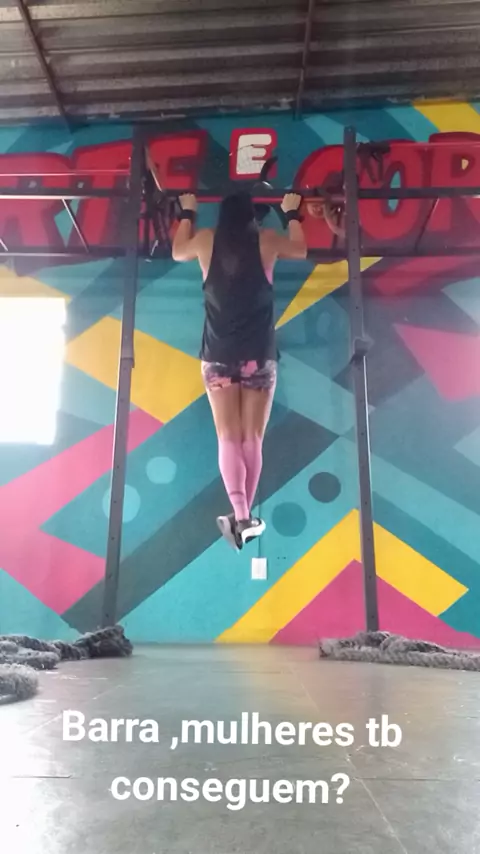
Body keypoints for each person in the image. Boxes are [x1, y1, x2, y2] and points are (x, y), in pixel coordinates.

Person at [172, 190, 306, 550]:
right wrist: (292, 213)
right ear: (252, 218)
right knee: (252, 438)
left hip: (218, 354)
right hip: (258, 355)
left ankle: (242, 515)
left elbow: (177, 250)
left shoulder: (205, 240)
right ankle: (243, 519)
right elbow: (300, 249)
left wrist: (188, 211)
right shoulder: (267, 241)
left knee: (228, 438)